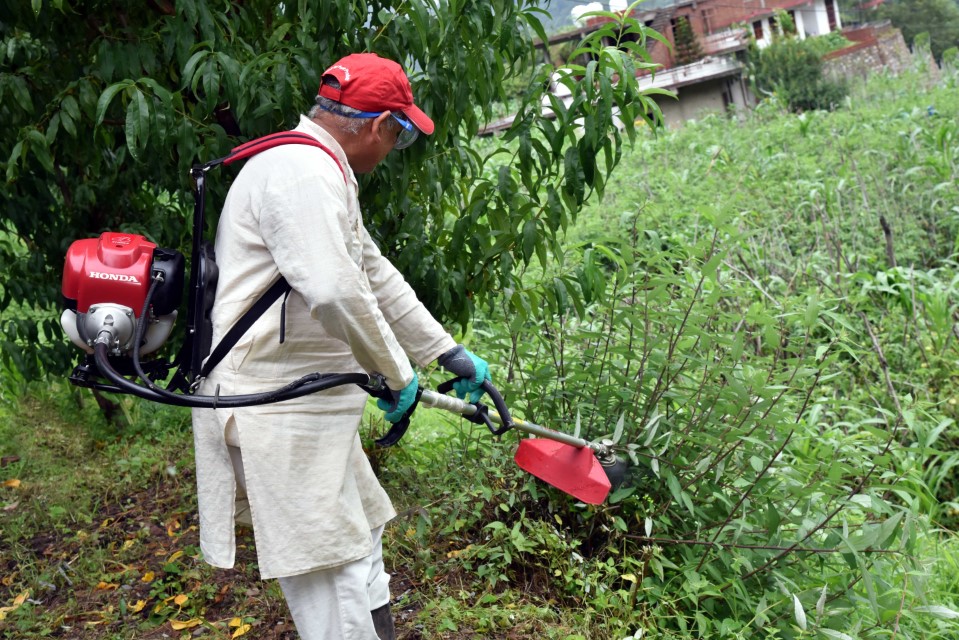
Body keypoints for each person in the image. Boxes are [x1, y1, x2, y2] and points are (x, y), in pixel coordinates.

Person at [190, 52, 492, 640]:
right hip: (276, 412)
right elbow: (332, 291)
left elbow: (370, 272)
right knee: (338, 584)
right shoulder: (302, 173)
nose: (391, 150)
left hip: (310, 410)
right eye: (400, 136)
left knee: (364, 549)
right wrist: (399, 377)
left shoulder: (321, 169)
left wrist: (446, 353)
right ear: (382, 126)